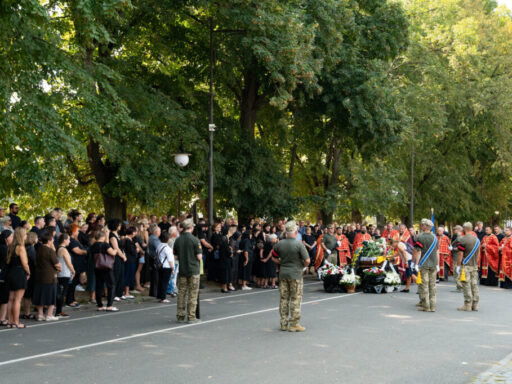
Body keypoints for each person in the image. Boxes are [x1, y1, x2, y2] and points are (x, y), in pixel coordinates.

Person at [272, 220, 310, 332]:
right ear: (296, 231)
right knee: (295, 299)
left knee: (284, 299)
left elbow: (273, 257)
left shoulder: (279, 243)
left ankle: (283, 323)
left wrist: (281, 262)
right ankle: (294, 324)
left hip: (283, 274)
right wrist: (302, 266)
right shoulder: (299, 245)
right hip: (296, 274)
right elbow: (307, 260)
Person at [173, 218, 202, 323]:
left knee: (182, 293)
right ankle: (191, 316)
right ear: (191, 227)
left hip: (182, 270)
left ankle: (180, 315)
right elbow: (199, 257)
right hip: (193, 270)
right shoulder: (195, 240)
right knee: (193, 293)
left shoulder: (178, 240)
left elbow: (175, 257)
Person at [32, 229, 61, 322]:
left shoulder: (39, 249)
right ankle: (49, 314)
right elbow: (57, 264)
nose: (53, 241)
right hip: (49, 276)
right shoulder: (49, 250)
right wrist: (59, 269)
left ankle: (40, 315)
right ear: (49, 240)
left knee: (40, 295)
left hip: (39, 275)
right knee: (51, 295)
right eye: (52, 239)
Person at [6, 228, 30, 328]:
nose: (26, 236)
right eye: (25, 234)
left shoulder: (10, 246)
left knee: (11, 298)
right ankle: (16, 322)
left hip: (11, 272)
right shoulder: (21, 247)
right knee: (18, 299)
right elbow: (25, 263)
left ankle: (10, 321)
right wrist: (29, 272)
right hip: (19, 272)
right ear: (22, 235)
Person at [413, 219, 439, 312]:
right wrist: (438, 264)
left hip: (424, 264)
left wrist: (416, 263)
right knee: (432, 285)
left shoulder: (420, 237)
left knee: (424, 285)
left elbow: (418, 252)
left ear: (424, 226)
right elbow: (437, 252)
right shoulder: (435, 238)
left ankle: (426, 306)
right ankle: (433, 306)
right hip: (433, 264)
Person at [456, 222, 481, 311]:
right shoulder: (477, 240)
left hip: (466, 266)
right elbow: (478, 255)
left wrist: (458, 266)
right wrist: (476, 263)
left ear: (464, 229)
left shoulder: (462, 240)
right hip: (474, 265)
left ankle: (467, 304)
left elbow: (460, 255)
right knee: (474, 285)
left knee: (466, 285)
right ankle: (475, 304)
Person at [91, 230, 118, 311]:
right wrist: (116, 249)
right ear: (102, 237)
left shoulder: (93, 245)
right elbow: (112, 253)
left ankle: (100, 305)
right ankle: (109, 305)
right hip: (106, 267)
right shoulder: (105, 245)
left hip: (97, 267)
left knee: (99, 285)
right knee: (111, 285)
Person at [66, 224, 87, 308]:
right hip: (74, 264)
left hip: (78, 264)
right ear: (74, 231)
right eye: (77, 231)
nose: (78, 232)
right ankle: (69, 300)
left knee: (74, 283)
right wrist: (85, 252)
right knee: (72, 283)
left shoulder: (75, 240)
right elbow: (76, 251)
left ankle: (72, 299)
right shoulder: (71, 240)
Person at [56, 234, 75, 318]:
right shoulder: (63, 250)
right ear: (64, 240)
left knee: (61, 292)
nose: (69, 241)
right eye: (68, 239)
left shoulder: (57, 248)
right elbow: (68, 262)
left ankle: (59, 311)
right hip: (64, 273)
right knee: (62, 293)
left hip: (61, 274)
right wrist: (73, 271)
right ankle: (58, 311)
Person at [108, 219, 127, 301]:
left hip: (121, 256)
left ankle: (120, 293)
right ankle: (114, 294)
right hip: (116, 258)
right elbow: (116, 248)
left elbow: (121, 247)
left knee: (121, 275)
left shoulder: (118, 234)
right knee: (116, 275)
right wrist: (123, 256)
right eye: (119, 225)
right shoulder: (112, 236)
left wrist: (124, 254)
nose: (120, 226)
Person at [21, 232, 37, 320]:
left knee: (26, 294)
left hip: (26, 273)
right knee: (28, 294)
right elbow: (35, 261)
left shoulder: (26, 247)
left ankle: (26, 312)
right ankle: (27, 313)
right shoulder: (31, 248)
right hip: (30, 273)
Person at [155, 231, 175, 303]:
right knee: (165, 282)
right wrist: (173, 268)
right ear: (167, 239)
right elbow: (170, 260)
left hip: (160, 266)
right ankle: (163, 297)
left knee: (160, 281)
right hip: (166, 267)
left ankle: (160, 296)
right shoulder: (167, 248)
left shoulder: (159, 246)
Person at [0, 230, 13, 326]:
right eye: (11, 236)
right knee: (4, 298)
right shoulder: (5, 249)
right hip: (3, 275)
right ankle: (2, 318)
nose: (12, 238)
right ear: (6, 238)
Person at [219, 225, 237, 293]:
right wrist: (231, 252)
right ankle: (224, 288)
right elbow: (227, 250)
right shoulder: (224, 239)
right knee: (224, 274)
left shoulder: (227, 239)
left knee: (227, 273)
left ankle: (225, 287)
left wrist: (231, 251)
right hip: (224, 259)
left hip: (227, 259)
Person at [123, 227, 138, 299]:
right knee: (128, 275)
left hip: (131, 260)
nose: (135, 233)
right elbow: (132, 251)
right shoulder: (127, 240)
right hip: (129, 260)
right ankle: (126, 292)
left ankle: (127, 291)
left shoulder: (130, 240)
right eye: (135, 231)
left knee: (130, 275)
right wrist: (136, 250)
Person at [148, 223, 161, 297]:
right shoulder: (154, 238)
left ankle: (153, 292)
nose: (160, 232)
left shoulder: (152, 237)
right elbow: (159, 248)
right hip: (154, 258)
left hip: (152, 258)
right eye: (159, 231)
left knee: (154, 277)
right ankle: (155, 292)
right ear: (156, 232)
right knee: (156, 277)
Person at [451, 225, 464, 291]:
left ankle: (459, 286)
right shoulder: (459, 237)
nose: (454, 231)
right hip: (457, 256)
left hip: (457, 256)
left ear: (458, 230)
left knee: (456, 272)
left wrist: (452, 248)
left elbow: (459, 248)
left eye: (455, 229)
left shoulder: (459, 238)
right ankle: (460, 286)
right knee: (458, 271)